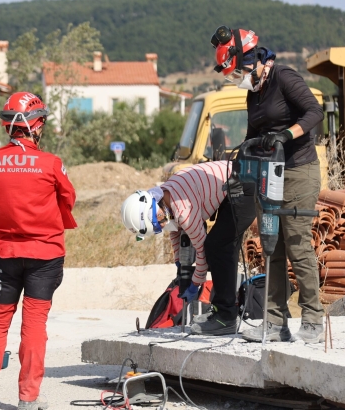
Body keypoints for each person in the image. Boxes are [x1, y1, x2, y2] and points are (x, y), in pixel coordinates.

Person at [210, 25, 324, 343]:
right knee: (271, 245)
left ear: (252, 58)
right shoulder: (253, 92)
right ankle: (274, 322)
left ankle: (313, 319)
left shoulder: (283, 78)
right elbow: (250, 137)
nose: (238, 80)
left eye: (239, 73)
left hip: (299, 172)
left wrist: (287, 134)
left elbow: (314, 112)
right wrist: (237, 172)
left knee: (298, 243)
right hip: (267, 174)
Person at [0, 92, 76, 410]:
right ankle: (28, 399)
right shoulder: (51, 163)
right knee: (34, 325)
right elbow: (68, 199)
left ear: (7, 126)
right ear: (39, 124)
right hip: (44, 255)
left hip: (5, 253)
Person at [120, 160, 256, 336]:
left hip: (242, 184)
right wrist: (179, 262)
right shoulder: (165, 195)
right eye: (157, 228)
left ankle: (225, 317)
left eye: (157, 223)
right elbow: (174, 230)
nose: (161, 226)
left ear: (155, 208)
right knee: (223, 247)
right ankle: (223, 312)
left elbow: (202, 253)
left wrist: (195, 283)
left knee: (217, 247)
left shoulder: (184, 211)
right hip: (230, 185)